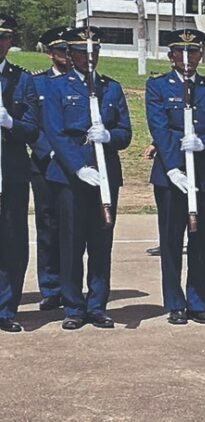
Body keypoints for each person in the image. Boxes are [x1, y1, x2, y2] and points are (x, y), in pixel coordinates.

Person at [45, 26, 132, 329]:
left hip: (105, 175)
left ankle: (97, 305)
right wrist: (78, 168)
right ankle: (73, 306)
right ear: (70, 54)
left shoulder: (112, 87)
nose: (88, 56)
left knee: (100, 242)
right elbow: (56, 132)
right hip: (72, 176)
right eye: (82, 51)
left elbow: (125, 133)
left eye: (93, 51)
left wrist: (109, 136)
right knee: (70, 242)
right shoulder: (57, 87)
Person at [146, 28, 205, 325]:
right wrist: (172, 168)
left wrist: (204, 142)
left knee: (201, 241)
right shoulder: (158, 86)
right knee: (171, 241)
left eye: (193, 51)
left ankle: (198, 303)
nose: (187, 57)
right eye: (180, 52)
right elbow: (159, 128)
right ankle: (175, 303)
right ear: (171, 56)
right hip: (170, 177)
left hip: (204, 174)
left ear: (200, 55)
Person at [0, 14, 40, 333]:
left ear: (10, 42)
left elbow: (32, 129)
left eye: (4, 37)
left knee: (12, 239)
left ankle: (6, 307)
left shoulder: (22, 80)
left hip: (10, 171)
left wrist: (10, 122)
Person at [31, 26, 71, 311]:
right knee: (47, 226)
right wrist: (54, 150)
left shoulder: (83, 83)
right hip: (46, 163)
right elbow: (32, 125)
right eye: (60, 50)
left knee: (74, 228)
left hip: (76, 165)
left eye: (70, 50)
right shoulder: (37, 84)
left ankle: (71, 284)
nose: (66, 55)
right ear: (50, 54)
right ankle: (50, 286)